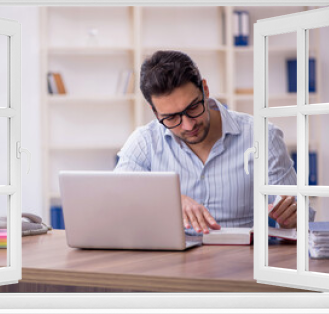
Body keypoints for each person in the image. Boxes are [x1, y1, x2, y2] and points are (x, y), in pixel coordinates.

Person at [115, 50, 301, 236]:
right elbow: (118, 200)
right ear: (155, 112)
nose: (188, 125)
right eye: (171, 118)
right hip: (170, 259)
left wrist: (292, 221)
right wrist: (168, 200)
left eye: (193, 107)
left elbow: (302, 217)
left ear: (205, 89)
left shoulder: (262, 136)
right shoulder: (144, 142)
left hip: (241, 258)